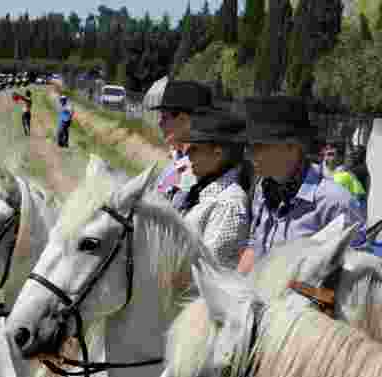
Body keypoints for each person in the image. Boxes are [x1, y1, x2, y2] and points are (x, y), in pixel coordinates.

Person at [238, 95, 368, 271]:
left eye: (258, 145)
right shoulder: (263, 189)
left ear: (293, 146)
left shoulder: (335, 202)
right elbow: (254, 246)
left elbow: (356, 278)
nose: (249, 154)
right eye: (248, 147)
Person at [174, 108, 251, 269]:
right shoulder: (206, 191)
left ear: (217, 153)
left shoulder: (228, 203)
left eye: (195, 148)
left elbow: (208, 268)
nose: (188, 155)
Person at [148, 81, 214, 203]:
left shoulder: (197, 167)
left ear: (184, 120)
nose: (160, 123)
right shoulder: (177, 160)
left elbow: (173, 207)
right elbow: (159, 195)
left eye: (165, 118)